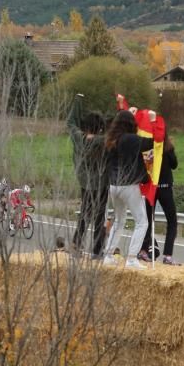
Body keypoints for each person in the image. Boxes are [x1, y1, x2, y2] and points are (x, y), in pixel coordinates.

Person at [103, 109, 153, 269]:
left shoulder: (111, 139)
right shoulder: (130, 139)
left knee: (119, 221)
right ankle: (131, 259)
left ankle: (108, 255)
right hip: (129, 185)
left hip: (113, 185)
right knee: (142, 222)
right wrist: (151, 122)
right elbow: (150, 143)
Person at [68, 95, 108, 258]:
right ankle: (97, 251)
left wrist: (77, 100)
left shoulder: (79, 138)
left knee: (84, 214)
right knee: (99, 217)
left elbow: (71, 122)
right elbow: (117, 134)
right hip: (101, 183)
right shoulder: (104, 141)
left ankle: (76, 244)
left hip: (84, 182)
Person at [142, 135, 181, 265]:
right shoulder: (167, 147)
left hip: (151, 188)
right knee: (172, 221)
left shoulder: (147, 147)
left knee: (147, 221)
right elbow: (174, 165)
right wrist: (170, 148)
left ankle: (143, 251)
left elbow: (145, 168)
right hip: (165, 188)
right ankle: (168, 255)